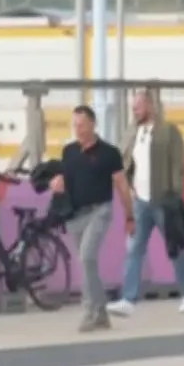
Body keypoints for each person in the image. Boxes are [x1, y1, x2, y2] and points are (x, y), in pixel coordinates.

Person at [110, 89, 184, 317]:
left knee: (175, 248)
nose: (134, 110)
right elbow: (122, 159)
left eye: (138, 106)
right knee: (134, 249)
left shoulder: (168, 132)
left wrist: (174, 194)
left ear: (149, 105)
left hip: (163, 200)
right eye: (133, 107)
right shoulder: (132, 132)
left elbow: (178, 166)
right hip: (140, 200)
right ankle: (128, 299)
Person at [51, 105, 131, 332]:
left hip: (100, 211)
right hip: (76, 215)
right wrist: (56, 184)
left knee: (86, 258)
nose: (78, 129)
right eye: (75, 125)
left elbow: (122, 184)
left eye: (82, 125)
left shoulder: (109, 153)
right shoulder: (69, 152)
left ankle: (89, 312)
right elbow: (64, 180)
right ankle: (102, 314)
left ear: (93, 124)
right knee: (88, 265)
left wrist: (129, 215)